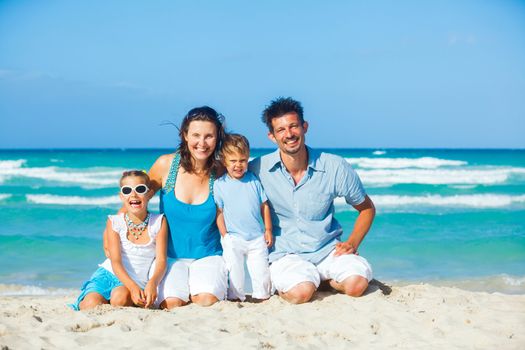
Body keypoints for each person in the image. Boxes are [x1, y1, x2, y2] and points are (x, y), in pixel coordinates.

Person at [249, 97, 376, 304]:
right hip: (286, 254)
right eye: (281, 130)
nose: (289, 134)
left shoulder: (334, 166)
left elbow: (367, 208)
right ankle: (301, 281)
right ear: (272, 136)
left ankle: (323, 280)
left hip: (328, 250)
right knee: (301, 293)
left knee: (357, 285)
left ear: (304, 127)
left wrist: (352, 243)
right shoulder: (257, 170)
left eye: (293, 126)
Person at [146, 106, 228, 308]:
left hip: (209, 256)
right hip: (170, 258)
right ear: (184, 135)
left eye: (209, 136)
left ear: (217, 138)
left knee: (206, 301)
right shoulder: (166, 165)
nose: (202, 143)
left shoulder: (220, 171)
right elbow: (136, 199)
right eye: (196, 135)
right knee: (171, 303)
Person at [72, 170, 168, 310]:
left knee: (120, 299)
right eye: (127, 190)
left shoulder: (159, 222)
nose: (133, 195)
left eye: (140, 189)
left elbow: (161, 260)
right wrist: (132, 287)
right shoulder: (115, 222)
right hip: (109, 274)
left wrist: (152, 283)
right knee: (91, 304)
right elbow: (115, 261)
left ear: (149, 194)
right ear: (121, 196)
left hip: (136, 280)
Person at [214, 133, 273, 301]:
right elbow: (219, 212)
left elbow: (264, 206)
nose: (238, 165)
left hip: (256, 237)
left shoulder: (253, 180)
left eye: (243, 160)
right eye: (233, 161)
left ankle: (262, 296)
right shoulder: (220, 185)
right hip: (233, 237)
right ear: (224, 160)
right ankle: (235, 297)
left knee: (261, 271)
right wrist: (224, 235)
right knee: (234, 271)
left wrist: (268, 229)